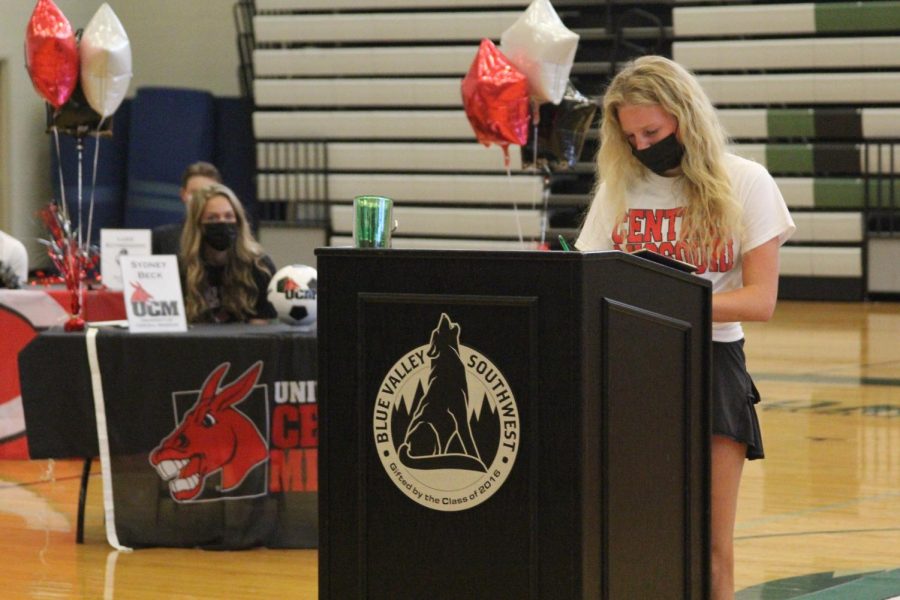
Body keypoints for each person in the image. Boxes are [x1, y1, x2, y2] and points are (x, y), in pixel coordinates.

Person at [575, 56, 795, 599]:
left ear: (684, 117)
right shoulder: (619, 189)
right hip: (633, 367)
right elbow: (587, 278)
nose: (644, 146)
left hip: (713, 366)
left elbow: (760, 300)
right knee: (635, 531)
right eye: (631, 137)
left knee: (712, 542)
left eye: (653, 131)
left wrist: (669, 301)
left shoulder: (746, 182)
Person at [180, 183, 276, 324]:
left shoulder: (260, 267)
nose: (222, 222)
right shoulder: (182, 269)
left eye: (229, 216)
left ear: (238, 221)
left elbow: (261, 328)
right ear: (198, 225)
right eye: (212, 218)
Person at [152, 161, 223, 256]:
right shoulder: (161, 238)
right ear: (183, 195)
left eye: (208, 192)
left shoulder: (230, 237)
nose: (200, 199)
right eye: (195, 193)